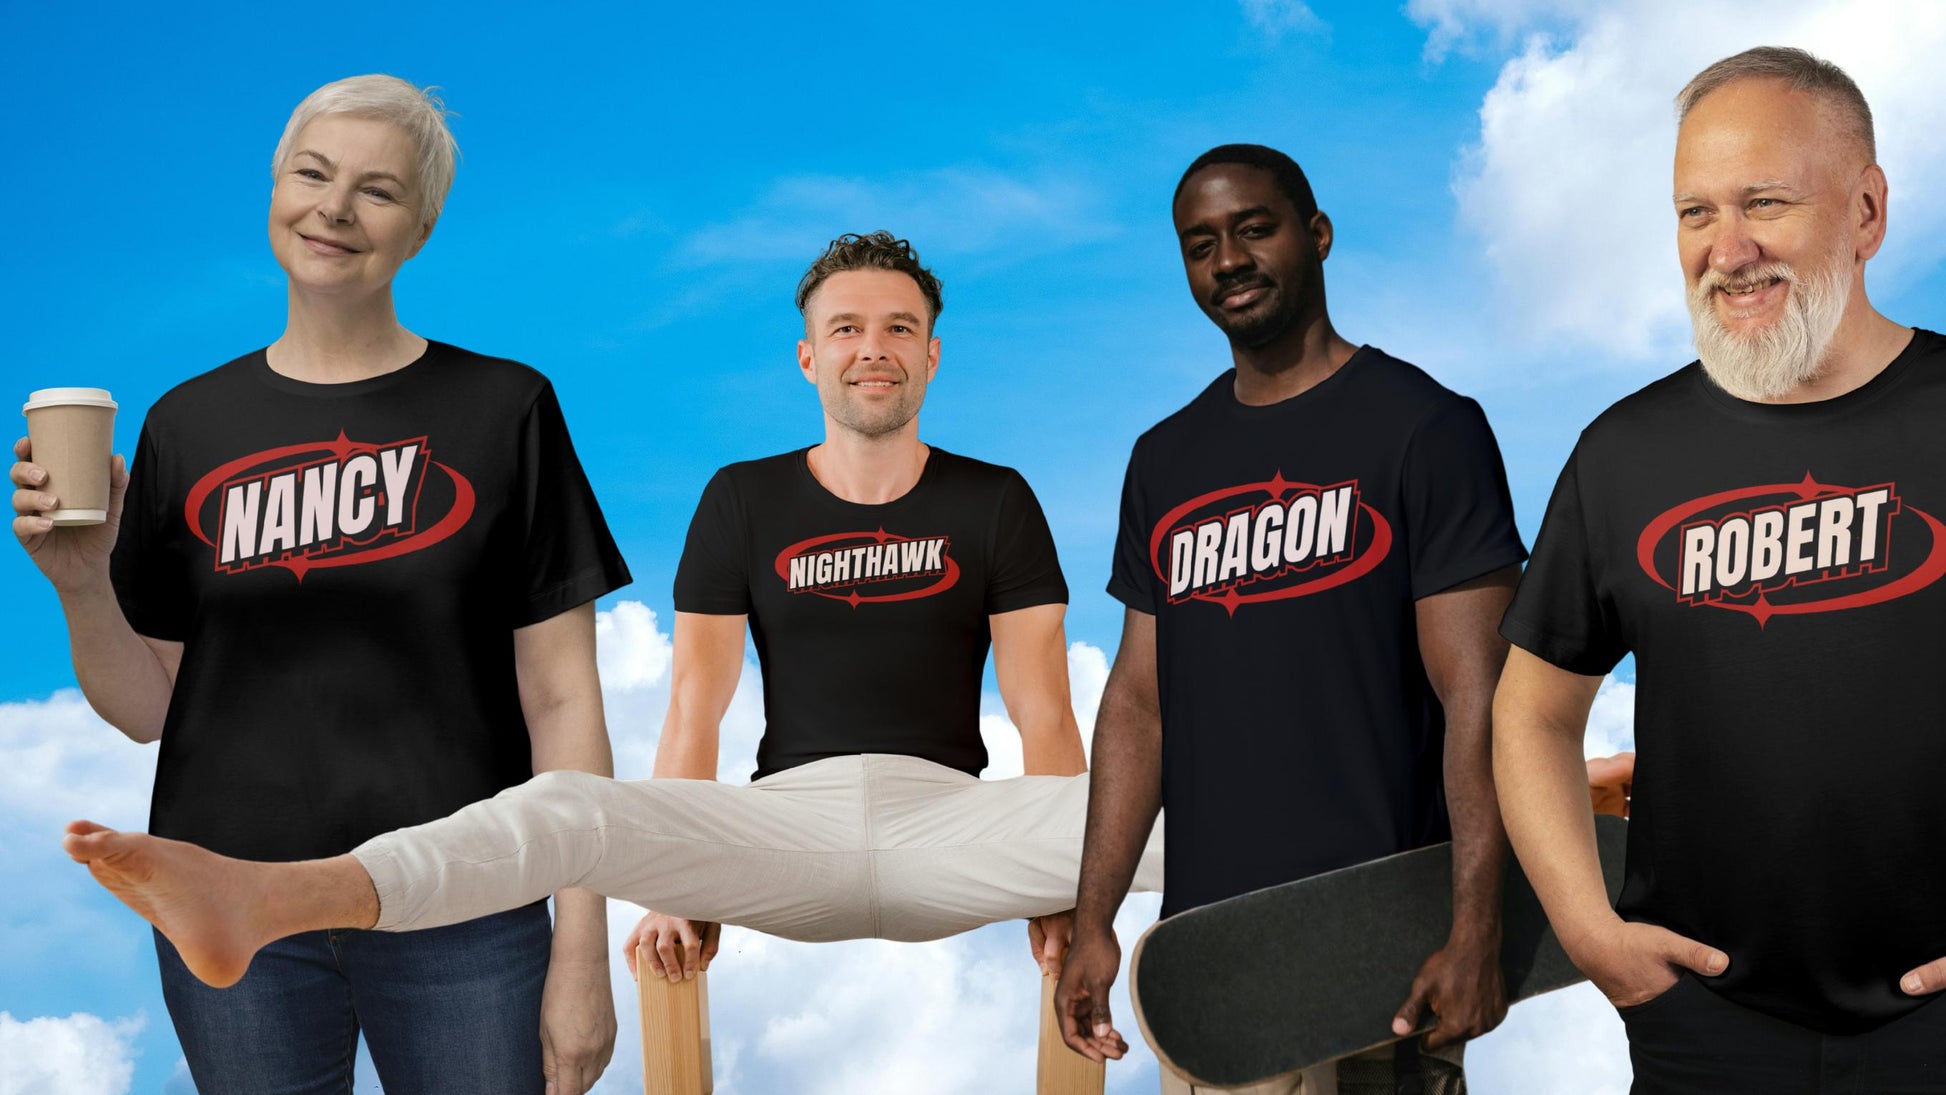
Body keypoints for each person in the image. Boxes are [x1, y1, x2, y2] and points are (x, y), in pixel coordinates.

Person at [57, 231, 1163, 1011]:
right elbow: (694, 708)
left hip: (956, 825)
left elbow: (1040, 711)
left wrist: (1074, 881)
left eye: (898, 328)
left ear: (930, 352)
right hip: (784, 825)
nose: (871, 345)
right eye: (845, 328)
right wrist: (680, 881)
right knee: (566, 806)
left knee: (1207, 808)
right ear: (809, 355)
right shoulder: (742, 497)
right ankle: (272, 896)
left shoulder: (995, 497)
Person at [11, 76, 630, 1094]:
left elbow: (563, 700)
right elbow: (145, 710)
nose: (335, 207)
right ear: (274, 188)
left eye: (377, 190)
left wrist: (579, 951)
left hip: (462, 910)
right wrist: (81, 586)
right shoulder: (186, 423)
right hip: (229, 914)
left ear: (420, 229)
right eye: (312, 173)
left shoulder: (505, 408)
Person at [1493, 45, 1946, 1093]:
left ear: (1867, 212)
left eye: (1764, 203)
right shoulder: (1623, 453)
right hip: (1701, 1027)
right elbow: (1529, 713)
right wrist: (1586, 929)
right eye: (1692, 213)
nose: (1725, 249)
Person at [1056, 144, 1528, 1094]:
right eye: (1200, 244)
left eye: (1254, 228)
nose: (1227, 259)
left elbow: (1482, 697)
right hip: (1214, 967)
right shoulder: (1164, 460)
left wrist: (1481, 925)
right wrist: (1094, 916)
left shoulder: (1427, 428)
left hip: (1376, 953)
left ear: (1317, 235)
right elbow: (1139, 703)